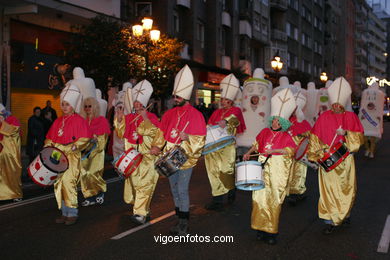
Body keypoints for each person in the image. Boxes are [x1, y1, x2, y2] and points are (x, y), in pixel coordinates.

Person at [151, 65, 206, 235]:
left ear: (186, 97)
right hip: (169, 156)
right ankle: (179, 217)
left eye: (178, 96)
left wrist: (188, 137)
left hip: (185, 158)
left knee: (182, 189)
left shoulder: (196, 115)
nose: (175, 98)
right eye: (174, 95)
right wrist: (156, 146)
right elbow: (161, 132)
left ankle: (184, 223)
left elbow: (200, 140)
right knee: (174, 190)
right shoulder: (169, 114)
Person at [307, 77, 364, 235]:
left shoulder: (351, 117)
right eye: (334, 104)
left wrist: (346, 133)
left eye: (339, 104)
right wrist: (316, 155)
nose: (336, 107)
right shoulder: (324, 117)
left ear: (344, 103)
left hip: (345, 160)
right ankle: (329, 220)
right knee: (328, 191)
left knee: (345, 189)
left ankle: (345, 214)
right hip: (328, 158)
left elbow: (358, 140)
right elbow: (315, 138)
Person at [243, 88, 297, 245]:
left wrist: (275, 150)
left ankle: (271, 232)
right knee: (258, 198)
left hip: (277, 170)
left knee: (274, 200)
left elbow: (290, 150)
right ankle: (259, 228)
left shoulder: (286, 136)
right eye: (274, 120)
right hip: (262, 166)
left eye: (279, 121)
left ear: (284, 123)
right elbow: (256, 143)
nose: (275, 123)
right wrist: (248, 153)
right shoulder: (265, 131)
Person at [114, 80, 161, 224]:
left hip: (147, 156)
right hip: (132, 156)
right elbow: (121, 133)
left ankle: (140, 213)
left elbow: (158, 134)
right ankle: (143, 209)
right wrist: (120, 119)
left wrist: (145, 118)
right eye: (136, 102)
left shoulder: (152, 117)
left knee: (144, 184)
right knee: (135, 184)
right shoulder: (129, 117)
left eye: (140, 102)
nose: (138, 105)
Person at [45, 84, 91, 225]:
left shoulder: (79, 120)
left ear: (73, 106)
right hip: (58, 156)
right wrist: (48, 147)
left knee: (68, 182)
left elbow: (85, 138)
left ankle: (72, 213)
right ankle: (64, 213)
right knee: (59, 183)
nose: (64, 107)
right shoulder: (58, 121)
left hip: (71, 156)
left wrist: (73, 146)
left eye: (67, 104)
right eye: (63, 104)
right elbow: (50, 138)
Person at [204, 73, 246, 210]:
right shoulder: (216, 112)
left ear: (231, 101)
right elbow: (209, 124)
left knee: (226, 171)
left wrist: (226, 121)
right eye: (222, 99)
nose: (223, 102)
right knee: (213, 172)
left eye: (226, 100)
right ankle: (217, 200)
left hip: (227, 147)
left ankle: (231, 189)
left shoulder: (236, 110)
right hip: (213, 147)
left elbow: (235, 119)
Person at [79, 97, 110, 206]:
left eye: (89, 106)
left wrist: (94, 142)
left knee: (92, 174)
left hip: (96, 153)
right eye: (85, 106)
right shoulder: (82, 121)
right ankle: (89, 196)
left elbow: (102, 142)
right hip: (83, 153)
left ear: (95, 107)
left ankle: (100, 191)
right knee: (83, 175)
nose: (87, 108)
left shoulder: (102, 120)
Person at [286, 90, 312, 205]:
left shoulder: (304, 122)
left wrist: (302, 135)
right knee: (287, 171)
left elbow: (310, 135)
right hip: (287, 151)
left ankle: (297, 192)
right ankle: (286, 191)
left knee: (299, 172)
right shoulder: (286, 120)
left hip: (300, 153)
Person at [0, 103, 23, 202]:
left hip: (10, 155)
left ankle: (15, 194)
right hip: (1, 153)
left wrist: (3, 123)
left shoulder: (13, 120)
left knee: (12, 174)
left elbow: (14, 132)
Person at [358, 82, 385, 158]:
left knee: (372, 139)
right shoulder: (367, 93)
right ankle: (367, 149)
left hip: (374, 121)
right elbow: (362, 107)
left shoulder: (378, 94)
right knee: (365, 139)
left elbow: (380, 109)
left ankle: (371, 151)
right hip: (366, 121)